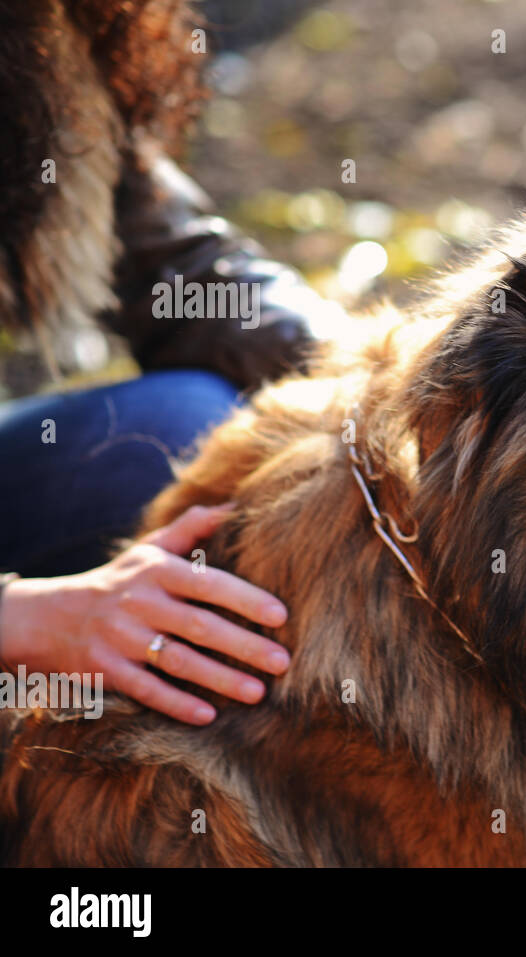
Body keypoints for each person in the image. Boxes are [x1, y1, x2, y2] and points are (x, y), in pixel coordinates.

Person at [0, 0, 335, 723]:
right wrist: (25, 620)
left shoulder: (36, 36)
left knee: (186, 428)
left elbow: (178, 264)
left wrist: (371, 374)